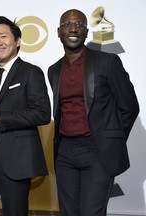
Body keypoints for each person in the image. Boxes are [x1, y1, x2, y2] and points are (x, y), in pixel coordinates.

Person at [48, 9, 139, 216]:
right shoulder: (53, 70)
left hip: (96, 151)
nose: (73, 29)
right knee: (68, 212)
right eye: (67, 25)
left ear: (86, 32)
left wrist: (110, 138)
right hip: (64, 153)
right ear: (58, 32)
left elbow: (130, 107)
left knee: (91, 212)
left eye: (79, 25)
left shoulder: (107, 63)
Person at [0, 16, 51, 216]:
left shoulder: (31, 72)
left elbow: (42, 113)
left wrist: (0, 116)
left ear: (18, 40)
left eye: (3, 36)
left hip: (15, 159)